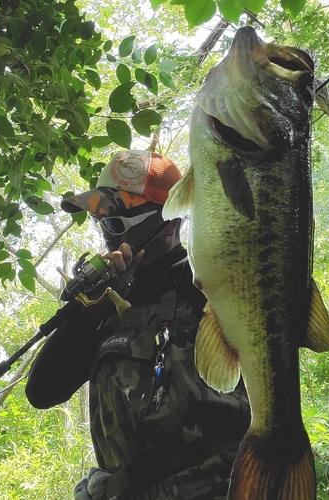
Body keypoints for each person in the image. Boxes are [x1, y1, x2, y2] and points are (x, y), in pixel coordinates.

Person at [25, 150, 250, 500]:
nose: (107, 235)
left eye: (117, 222)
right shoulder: (105, 305)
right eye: (100, 220)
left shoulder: (213, 287)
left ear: (170, 222)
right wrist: (89, 316)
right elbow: (42, 392)